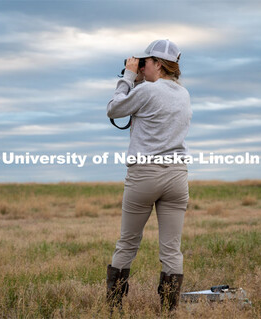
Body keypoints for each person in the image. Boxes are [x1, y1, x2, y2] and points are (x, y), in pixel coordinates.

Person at [106, 39, 192, 312]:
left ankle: (114, 308)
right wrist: (141, 78)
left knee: (128, 243)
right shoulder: (184, 94)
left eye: (146, 62)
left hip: (145, 174)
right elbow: (154, 99)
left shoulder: (147, 92)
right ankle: (169, 310)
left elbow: (114, 109)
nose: (142, 66)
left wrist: (129, 76)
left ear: (157, 63)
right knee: (171, 249)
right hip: (177, 176)